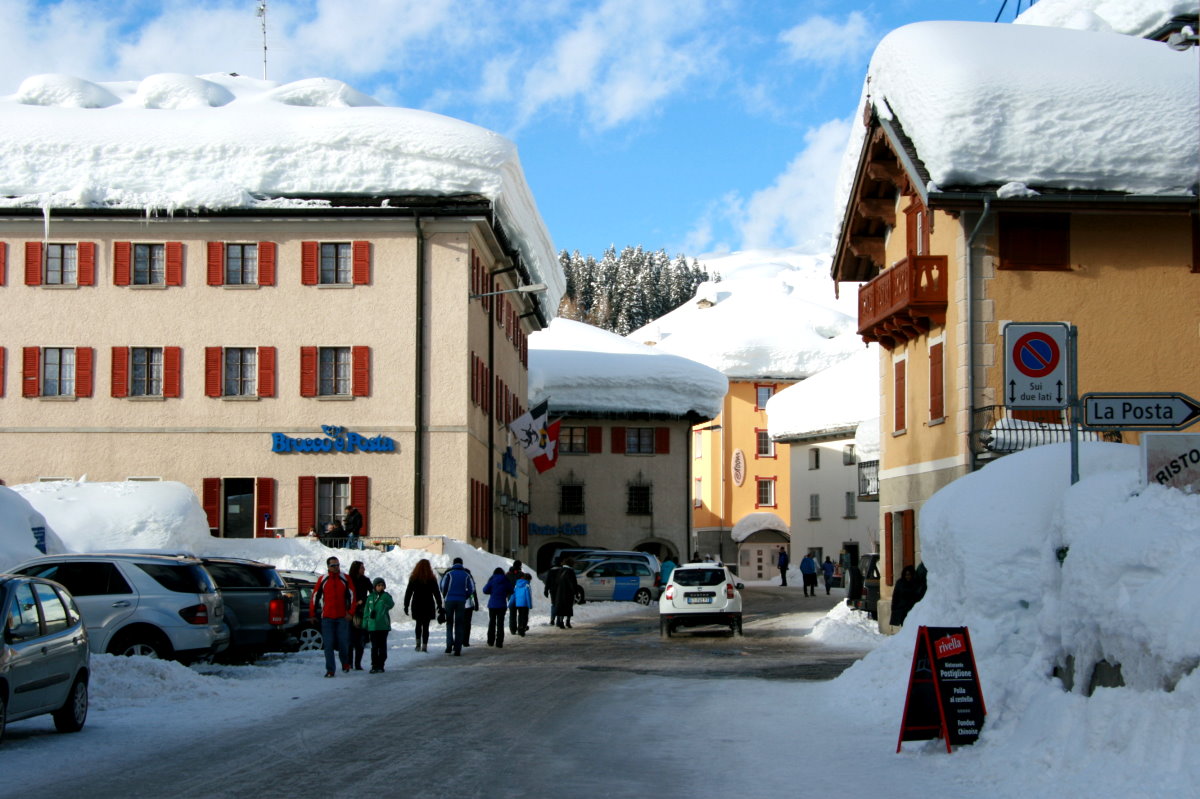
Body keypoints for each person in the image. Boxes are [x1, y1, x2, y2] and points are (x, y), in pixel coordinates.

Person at [310, 555, 355, 677]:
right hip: (327, 618)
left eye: (337, 565)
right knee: (328, 645)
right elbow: (315, 597)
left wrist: (350, 612)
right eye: (333, 565)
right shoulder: (323, 579)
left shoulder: (345, 578)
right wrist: (313, 614)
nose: (336, 567)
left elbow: (352, 596)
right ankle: (330, 670)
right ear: (328, 567)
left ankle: (345, 663)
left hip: (342, 617)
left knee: (343, 643)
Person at [439, 557, 477, 656]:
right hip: (461, 601)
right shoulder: (466, 575)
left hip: (449, 601)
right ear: (462, 564)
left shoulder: (449, 573)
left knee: (449, 623)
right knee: (459, 624)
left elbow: (442, 586)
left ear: (453, 564)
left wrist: (445, 595)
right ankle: (458, 648)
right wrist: (466, 595)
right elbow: (472, 588)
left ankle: (448, 646)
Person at [403, 558, 442, 652]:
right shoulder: (432, 579)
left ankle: (417, 644)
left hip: (417, 603)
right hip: (428, 604)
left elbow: (408, 592)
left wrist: (406, 605)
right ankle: (424, 646)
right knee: (426, 626)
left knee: (418, 624)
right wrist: (439, 604)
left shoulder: (413, 578)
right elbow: (436, 593)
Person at [363, 577, 394, 673]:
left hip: (383, 626)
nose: (380, 587)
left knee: (382, 646)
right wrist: (365, 623)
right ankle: (374, 665)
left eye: (382, 585)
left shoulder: (385, 596)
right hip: (373, 626)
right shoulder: (370, 597)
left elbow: (391, 604)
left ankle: (381, 664)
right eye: (378, 585)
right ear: (375, 586)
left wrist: (385, 598)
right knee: (374, 647)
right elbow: (366, 611)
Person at [347, 560, 372, 670]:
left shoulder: (365, 580)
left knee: (359, 640)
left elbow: (372, 593)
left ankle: (357, 664)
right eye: (362, 567)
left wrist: (365, 602)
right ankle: (349, 663)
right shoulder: (348, 580)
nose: (364, 569)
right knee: (349, 640)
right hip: (349, 613)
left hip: (361, 612)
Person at [482, 567, 512, 648]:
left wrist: (491, 591)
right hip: (502, 605)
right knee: (500, 623)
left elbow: (484, 590)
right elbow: (511, 590)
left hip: (492, 605)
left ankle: (490, 641)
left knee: (492, 622)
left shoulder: (492, 580)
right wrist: (505, 592)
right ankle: (499, 642)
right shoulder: (505, 580)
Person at [554, 558, 578, 629]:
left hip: (560, 592)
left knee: (561, 607)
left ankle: (561, 622)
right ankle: (568, 622)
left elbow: (556, 582)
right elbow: (573, 583)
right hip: (568, 593)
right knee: (569, 607)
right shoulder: (571, 571)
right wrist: (575, 592)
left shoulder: (559, 571)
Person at [505, 560, 525, 635]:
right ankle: (520, 628)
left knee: (512, 613)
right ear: (520, 566)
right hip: (520, 597)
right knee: (521, 613)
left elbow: (505, 585)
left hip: (510, 596)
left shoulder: (507, 574)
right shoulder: (522, 574)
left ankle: (512, 629)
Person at [510, 571, 533, 636]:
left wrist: (510, 603)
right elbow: (528, 595)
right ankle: (522, 629)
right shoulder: (527, 585)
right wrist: (530, 605)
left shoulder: (517, 585)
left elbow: (513, 594)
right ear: (528, 579)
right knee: (524, 617)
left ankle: (520, 628)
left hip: (518, 603)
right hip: (525, 603)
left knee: (520, 616)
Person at [544, 557, 564, 626]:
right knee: (560, 604)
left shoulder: (551, 570)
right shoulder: (563, 570)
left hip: (553, 590)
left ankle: (552, 619)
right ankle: (558, 620)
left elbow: (548, 582)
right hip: (560, 590)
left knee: (554, 604)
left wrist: (546, 590)